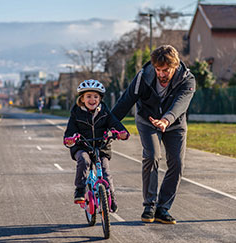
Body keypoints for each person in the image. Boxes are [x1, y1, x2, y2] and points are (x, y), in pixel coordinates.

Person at [111, 45, 196, 224]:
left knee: (177, 163)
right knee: (151, 156)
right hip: (147, 121)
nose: (161, 74)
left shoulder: (187, 79)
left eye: (166, 70)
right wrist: (109, 125)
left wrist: (166, 120)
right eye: (158, 69)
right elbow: (126, 101)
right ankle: (149, 205)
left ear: (175, 66)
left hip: (174, 124)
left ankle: (163, 208)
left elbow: (180, 104)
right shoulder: (144, 76)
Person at [63, 79, 129, 213]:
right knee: (84, 160)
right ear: (82, 99)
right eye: (88, 96)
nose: (92, 100)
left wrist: (122, 132)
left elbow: (114, 123)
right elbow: (70, 129)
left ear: (100, 99)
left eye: (95, 97)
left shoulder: (104, 111)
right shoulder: (76, 112)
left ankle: (111, 196)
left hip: (101, 146)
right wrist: (70, 139)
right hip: (82, 146)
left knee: (105, 171)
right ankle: (80, 190)